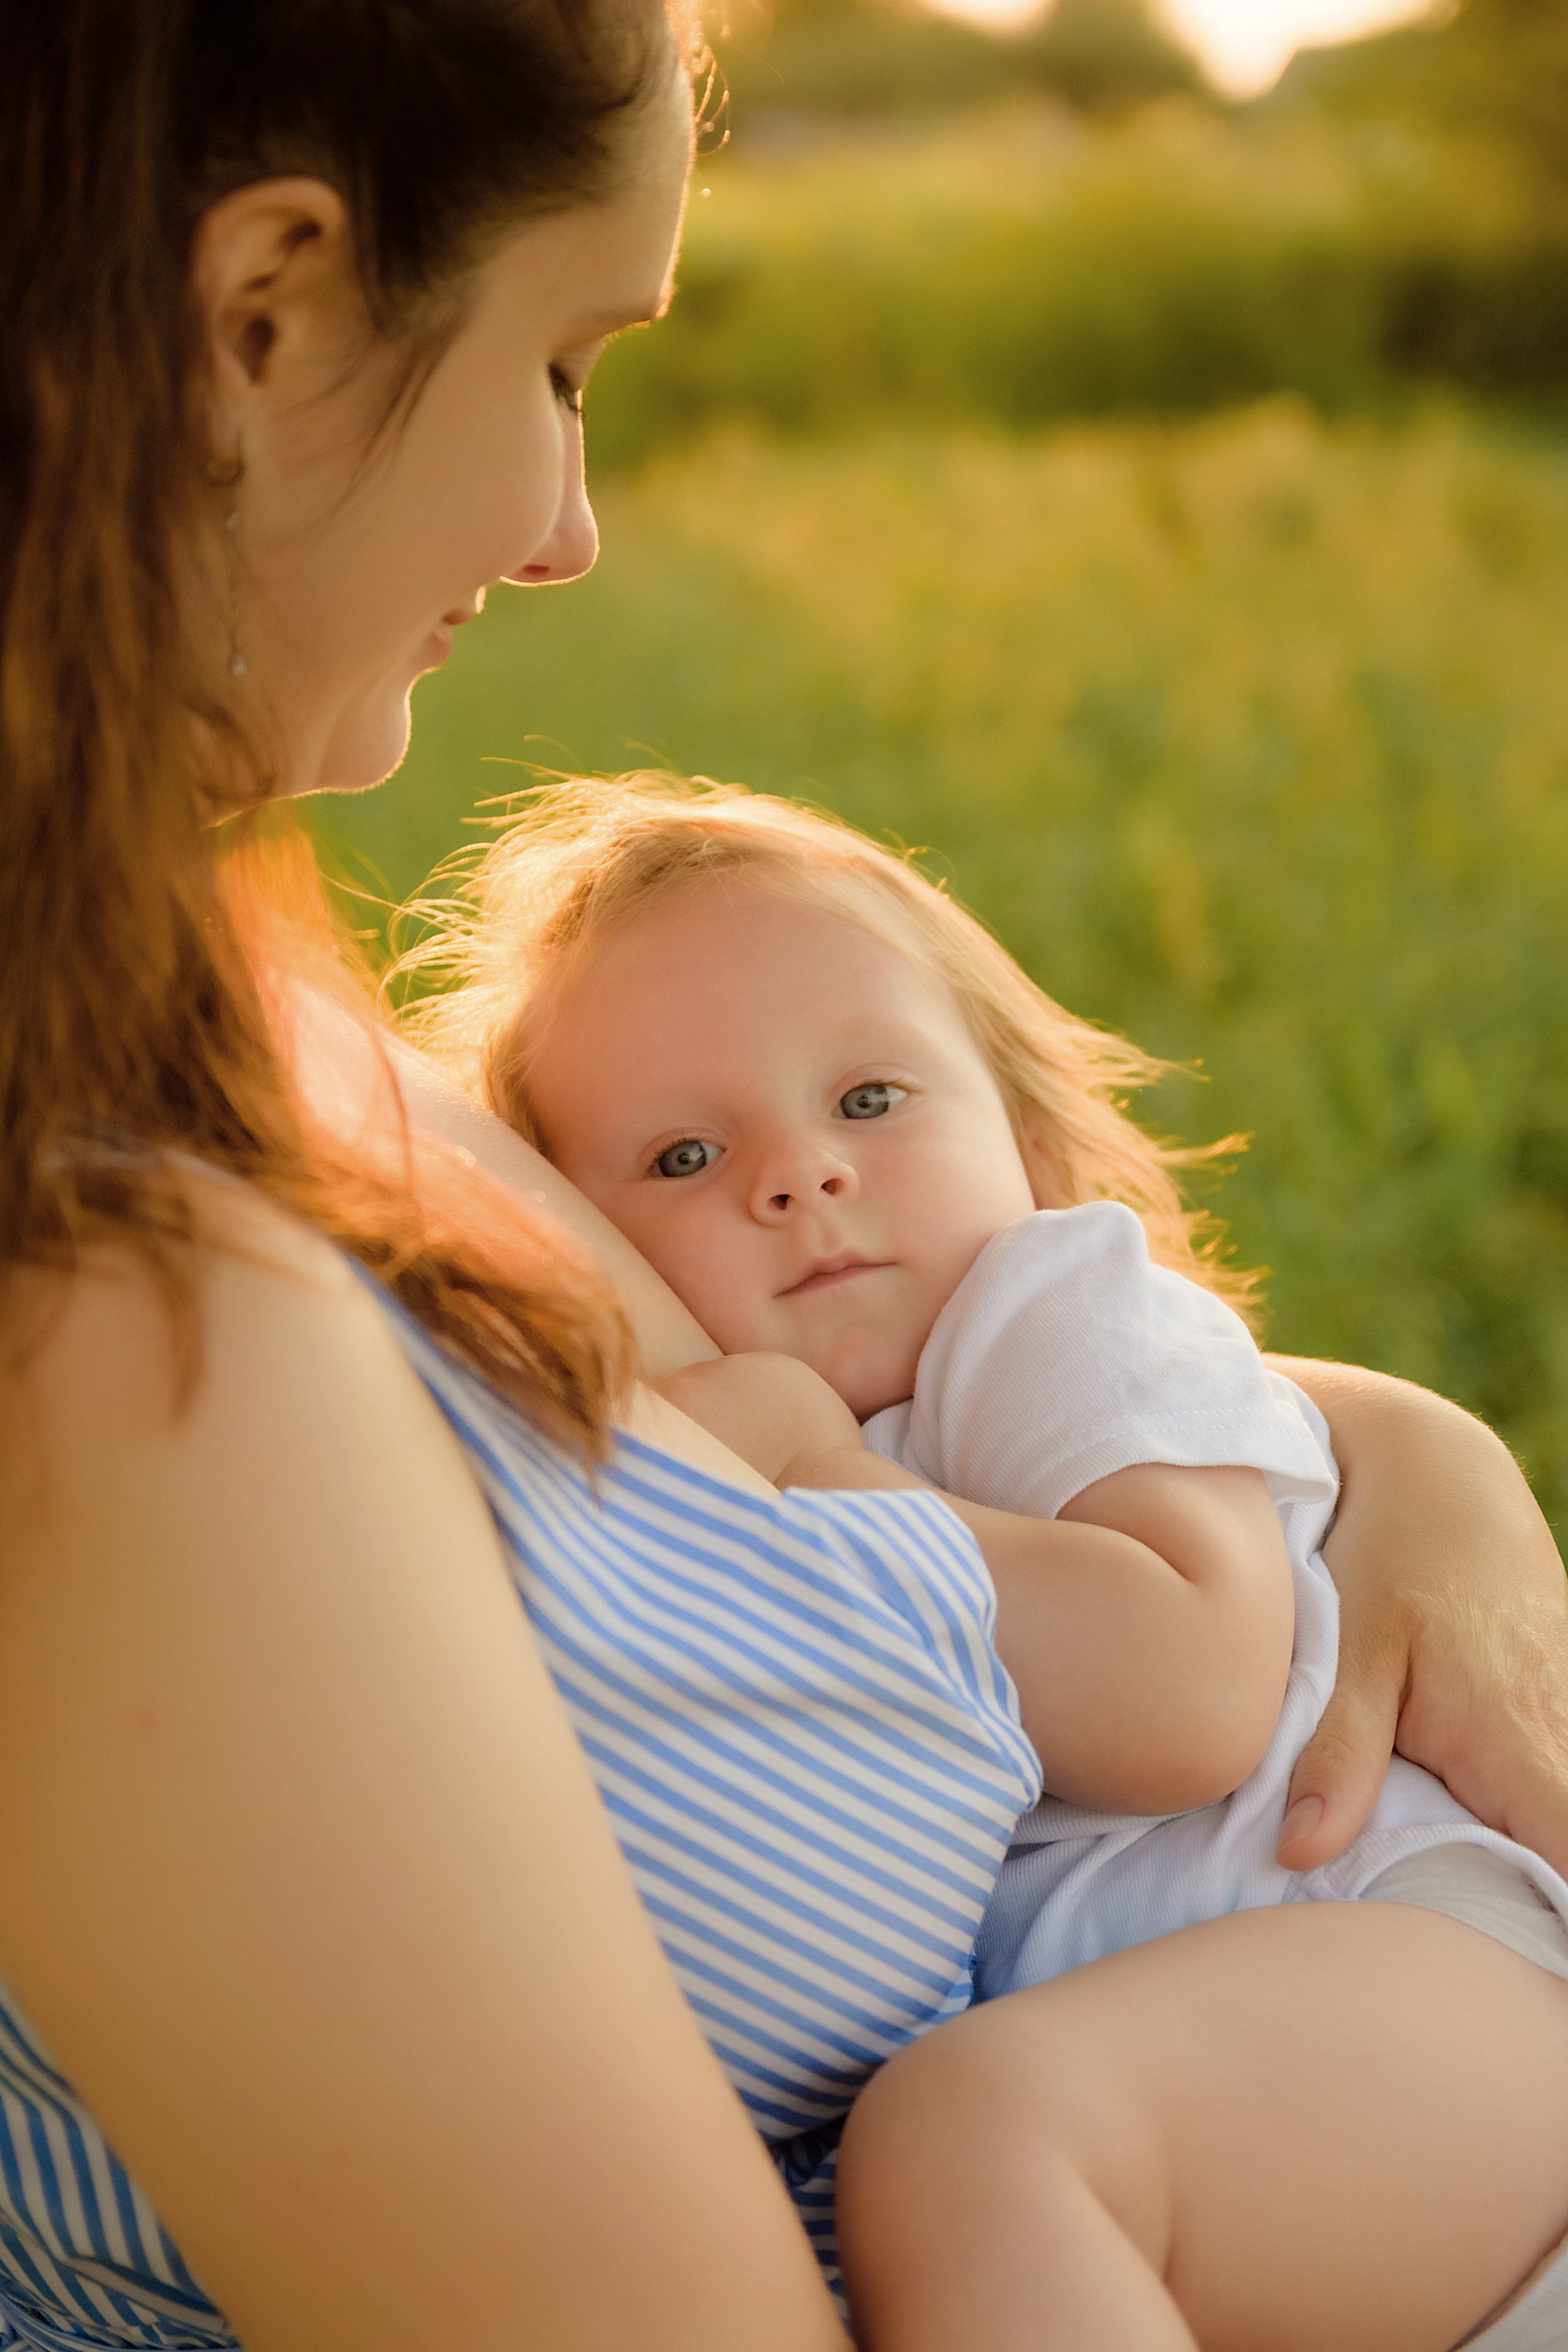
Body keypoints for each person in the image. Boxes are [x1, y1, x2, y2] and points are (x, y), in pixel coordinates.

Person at [2, 6, 1566, 2350]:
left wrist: (1410, 1468)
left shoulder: (266, 1051)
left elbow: (913, 1386)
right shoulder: (119, 1335)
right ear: (265, 321)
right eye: (560, 362)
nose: (568, 527)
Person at [407, 772, 1568, 2349]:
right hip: (1265, 2102)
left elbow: (1184, 1689)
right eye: (682, 1157)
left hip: (1419, 1960)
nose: (797, 1174)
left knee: (978, 2144)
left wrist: (815, 1476)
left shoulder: (1048, 1317)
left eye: (867, 1100)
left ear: (1027, 1144)